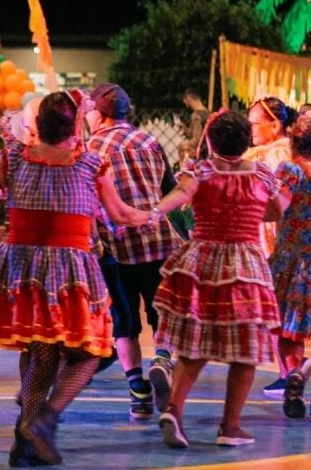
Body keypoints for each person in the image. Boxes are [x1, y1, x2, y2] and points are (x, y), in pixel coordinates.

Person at [0, 91, 143, 466]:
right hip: (70, 272)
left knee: (41, 353)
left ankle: (24, 437)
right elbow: (122, 214)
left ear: (38, 126)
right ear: (74, 126)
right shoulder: (91, 165)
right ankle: (45, 420)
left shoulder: (15, 159)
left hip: (23, 271)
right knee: (91, 354)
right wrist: (160, 210)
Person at [145, 110, 288, 448]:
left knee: (195, 345)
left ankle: (175, 411)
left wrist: (153, 212)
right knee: (245, 353)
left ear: (210, 141)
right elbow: (274, 210)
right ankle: (230, 427)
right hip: (245, 265)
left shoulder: (202, 170)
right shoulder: (262, 175)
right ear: (245, 141)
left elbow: (182, 194)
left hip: (203, 261)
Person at [85, 83, 181, 418]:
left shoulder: (90, 148)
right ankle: (163, 361)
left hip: (116, 250)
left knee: (124, 322)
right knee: (162, 316)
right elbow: (170, 191)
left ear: (99, 113)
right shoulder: (150, 142)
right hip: (160, 243)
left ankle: (138, 391)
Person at [244, 97, 299, 399]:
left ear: (274, 125)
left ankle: (289, 374)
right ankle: (289, 373)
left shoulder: (277, 154)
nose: (250, 127)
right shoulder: (273, 152)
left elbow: (274, 201)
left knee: (281, 309)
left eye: (254, 122)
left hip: (278, 239)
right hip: (280, 239)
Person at [270, 111, 311, 421]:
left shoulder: (289, 170)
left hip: (290, 258)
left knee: (288, 332)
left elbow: (275, 208)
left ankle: (292, 376)